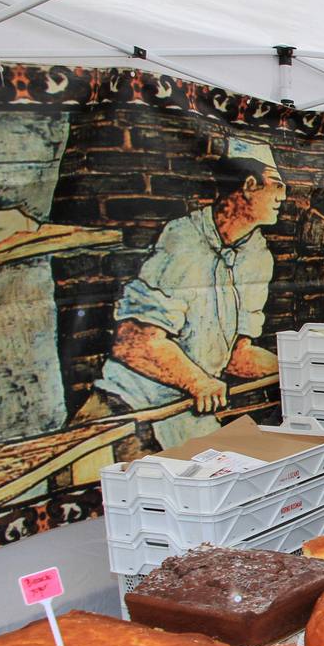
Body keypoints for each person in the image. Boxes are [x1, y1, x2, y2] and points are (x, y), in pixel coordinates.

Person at [74, 141, 285, 450]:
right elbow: (135, 342)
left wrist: (296, 368)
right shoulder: (183, 240)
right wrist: (196, 381)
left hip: (187, 416)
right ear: (250, 184)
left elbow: (237, 357)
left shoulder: (257, 256)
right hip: (129, 409)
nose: (283, 197)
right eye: (277, 185)